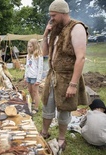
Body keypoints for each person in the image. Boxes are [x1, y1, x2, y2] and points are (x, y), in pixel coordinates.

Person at [40, 0, 88, 152]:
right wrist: (46, 34)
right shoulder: (56, 28)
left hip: (67, 78)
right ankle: (44, 133)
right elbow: (45, 53)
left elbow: (80, 58)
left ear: (62, 13)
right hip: (52, 75)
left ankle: (61, 138)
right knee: (47, 105)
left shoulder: (77, 28)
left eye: (53, 15)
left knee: (64, 109)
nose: (51, 18)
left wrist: (73, 84)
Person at [24, 39, 43, 114]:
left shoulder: (38, 56)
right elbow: (27, 66)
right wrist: (25, 76)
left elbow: (40, 68)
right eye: (28, 46)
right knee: (30, 90)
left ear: (35, 46)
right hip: (29, 76)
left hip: (35, 77)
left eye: (31, 46)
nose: (29, 48)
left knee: (35, 91)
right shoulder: (28, 55)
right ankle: (33, 101)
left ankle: (36, 107)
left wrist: (38, 80)